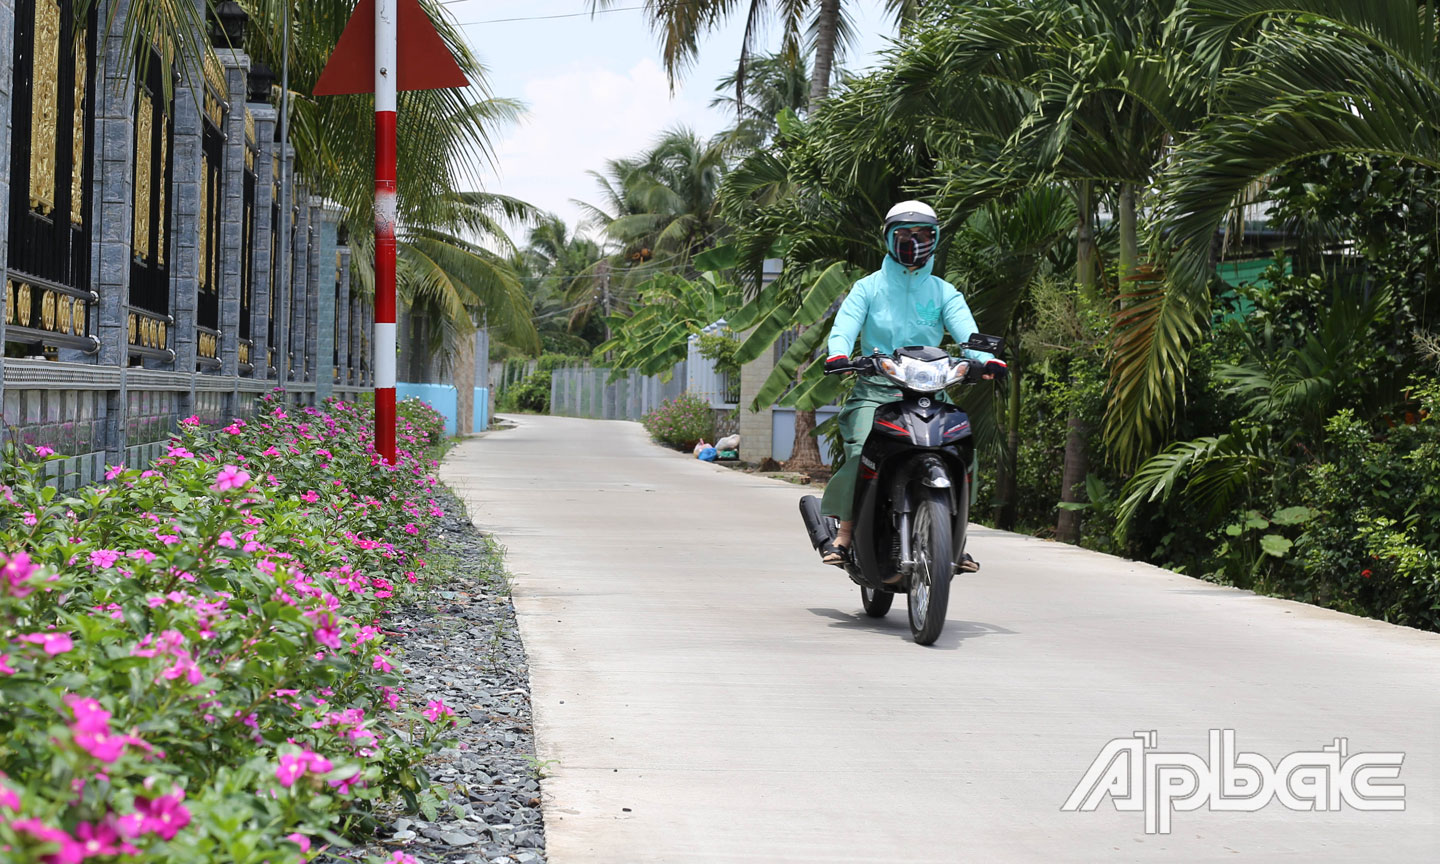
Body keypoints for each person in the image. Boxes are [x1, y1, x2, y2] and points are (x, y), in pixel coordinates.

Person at [818, 201, 1007, 569]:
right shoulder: (867, 288)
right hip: (876, 391)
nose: (913, 241)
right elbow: (844, 328)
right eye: (904, 234)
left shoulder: (942, 292)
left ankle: (954, 536)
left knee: (964, 453)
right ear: (888, 237)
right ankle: (845, 532)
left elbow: (968, 333)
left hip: (930, 393)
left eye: (923, 234)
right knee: (862, 451)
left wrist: (986, 360)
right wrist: (838, 354)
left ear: (934, 239)